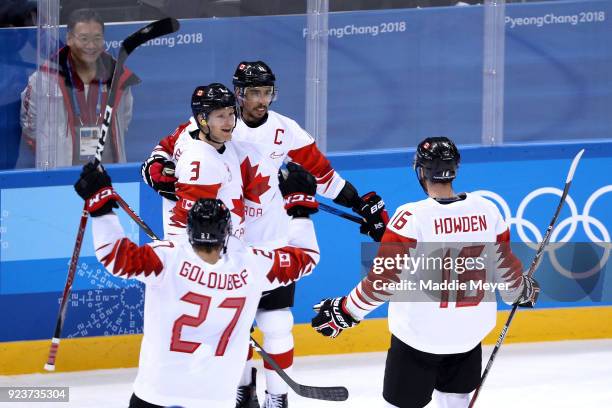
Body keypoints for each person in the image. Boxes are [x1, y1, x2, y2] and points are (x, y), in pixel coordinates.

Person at [141, 60, 389, 407]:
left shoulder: (285, 130)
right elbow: (170, 147)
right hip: (231, 246)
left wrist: (360, 204)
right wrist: (154, 165)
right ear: (238, 94)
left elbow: (324, 176)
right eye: (254, 92)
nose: (261, 100)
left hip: (272, 239)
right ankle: (243, 388)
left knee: (277, 325)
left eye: (267, 92)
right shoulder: (215, 121)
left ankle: (278, 396)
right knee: (234, 327)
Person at [311, 137, 540, 408]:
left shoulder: (410, 217)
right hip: (469, 338)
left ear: (421, 171)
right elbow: (506, 272)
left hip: (419, 340)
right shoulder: (488, 210)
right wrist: (521, 290)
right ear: (455, 168)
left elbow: (383, 282)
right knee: (456, 402)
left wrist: (346, 311)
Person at [74, 160, 321, 408]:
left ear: (189, 229)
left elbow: (115, 257)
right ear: (226, 232)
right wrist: (299, 209)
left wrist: (100, 205)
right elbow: (306, 258)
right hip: (214, 399)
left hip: (156, 393)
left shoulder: (165, 259)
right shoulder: (252, 266)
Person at [20, 8, 139, 167]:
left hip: (108, 171)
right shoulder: (44, 78)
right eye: (84, 38)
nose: (91, 45)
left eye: (97, 38)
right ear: (69, 39)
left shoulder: (117, 76)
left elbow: (124, 119)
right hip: (62, 171)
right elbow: (30, 126)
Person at [142, 83, 245, 240]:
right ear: (202, 120)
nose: (229, 122)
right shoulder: (202, 163)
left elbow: (165, 146)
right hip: (214, 256)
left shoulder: (190, 129)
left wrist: (156, 160)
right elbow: (182, 225)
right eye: (221, 116)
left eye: (231, 114)